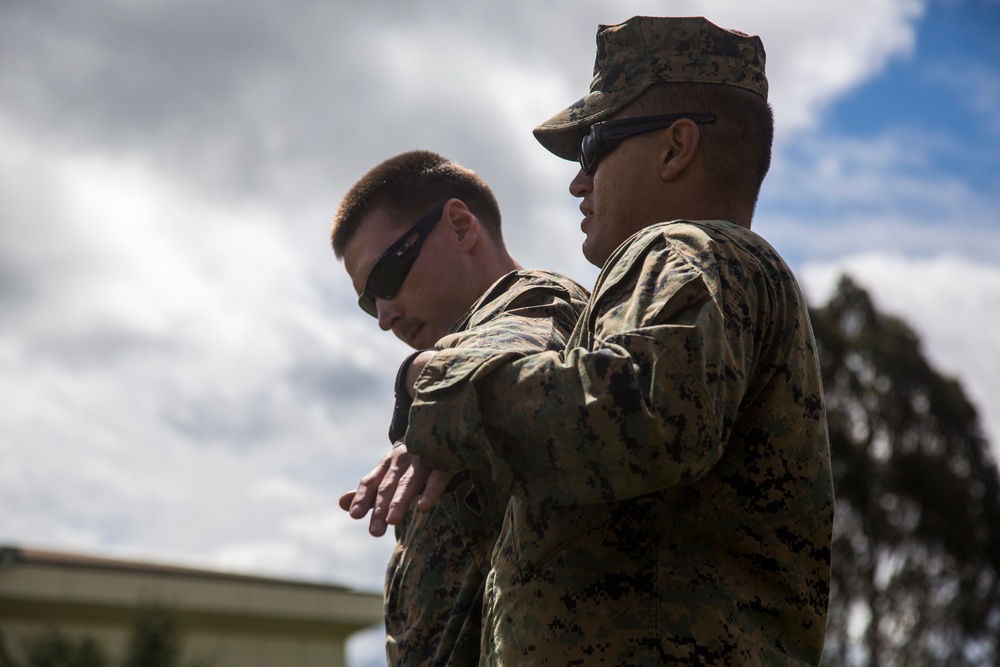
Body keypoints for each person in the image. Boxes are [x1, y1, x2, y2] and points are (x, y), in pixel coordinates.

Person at [394, 16, 835, 666]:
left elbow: (641, 411)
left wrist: (440, 384)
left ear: (676, 147)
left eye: (594, 145)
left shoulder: (684, 249)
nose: (579, 180)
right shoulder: (706, 272)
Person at [330, 150, 589, 666]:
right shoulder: (450, 386)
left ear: (459, 225)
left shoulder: (537, 301)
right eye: (367, 301)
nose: (383, 317)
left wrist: (413, 377)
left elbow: (517, 348)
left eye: (386, 278)